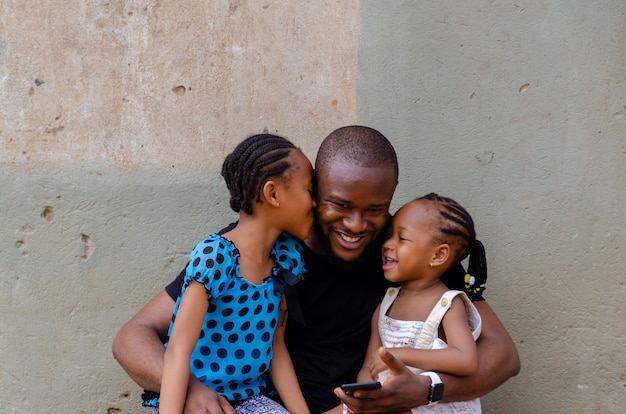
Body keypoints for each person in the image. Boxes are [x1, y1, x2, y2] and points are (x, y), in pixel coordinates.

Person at [113, 126, 520, 414]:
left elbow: (502, 355)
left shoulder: (403, 252)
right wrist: (188, 389)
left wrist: (425, 392)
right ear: (312, 193)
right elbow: (133, 336)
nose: (357, 225)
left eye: (375, 209)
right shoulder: (254, 251)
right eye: (339, 205)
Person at [148, 133, 315, 413]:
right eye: (310, 191)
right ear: (273, 194)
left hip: (251, 399)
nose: (314, 203)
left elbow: (277, 347)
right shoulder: (216, 257)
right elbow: (177, 352)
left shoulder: (286, 259)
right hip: (194, 400)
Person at [353, 193, 487, 414]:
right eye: (389, 235)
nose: (387, 244)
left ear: (437, 255)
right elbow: (370, 365)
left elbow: (466, 360)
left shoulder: (448, 305)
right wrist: (364, 394)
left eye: (401, 238)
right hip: (391, 403)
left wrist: (401, 354)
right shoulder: (386, 304)